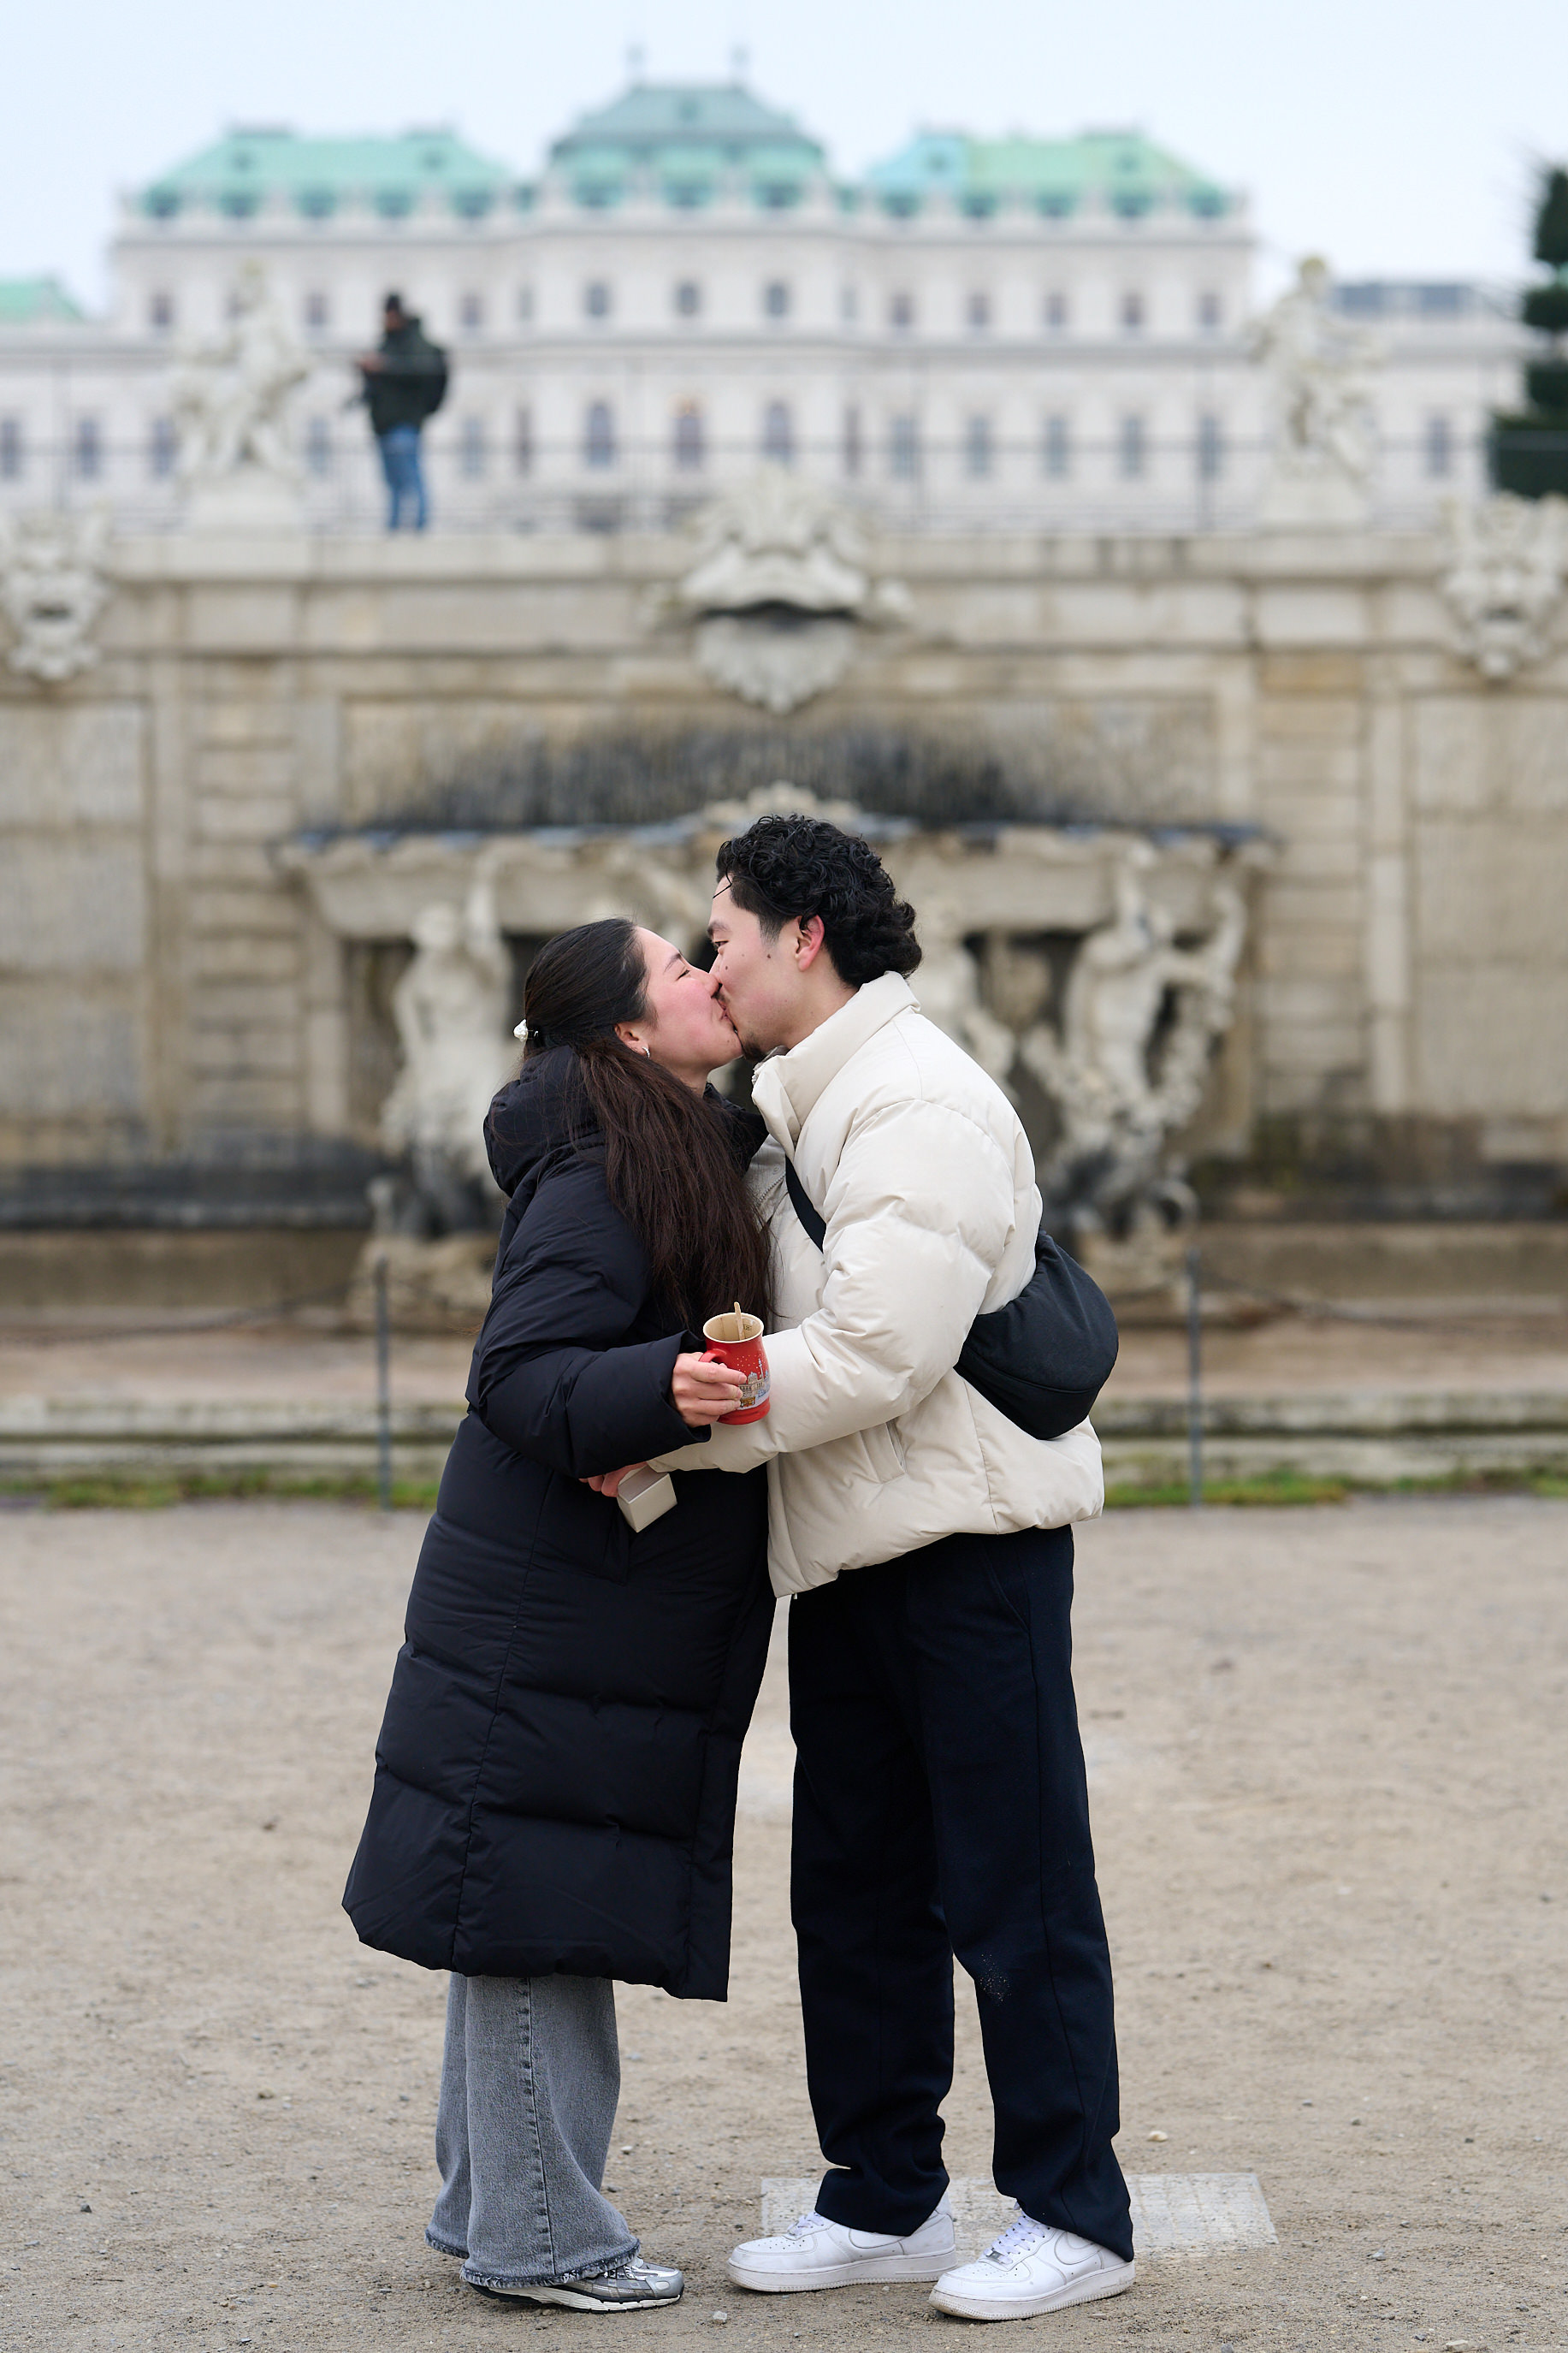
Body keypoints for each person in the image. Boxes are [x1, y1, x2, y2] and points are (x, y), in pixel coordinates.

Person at [609, 815, 1133, 2323]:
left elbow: (878, 1354)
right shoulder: (803, 1106)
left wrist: (673, 1442)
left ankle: (1074, 2213)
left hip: (971, 1551)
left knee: (1013, 1891)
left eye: (721, 933)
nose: (707, 957)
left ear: (802, 939)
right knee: (851, 1892)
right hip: (846, 1551)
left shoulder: (916, 1100)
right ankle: (884, 2195)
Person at [343, 917, 772, 2313]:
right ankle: (542, 2235)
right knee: (532, 1908)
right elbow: (517, 1375)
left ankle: (486, 2204)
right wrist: (663, 1385)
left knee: (512, 1895)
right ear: (629, 1035)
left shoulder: (642, 1143)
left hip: (552, 1595)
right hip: (553, 1605)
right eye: (677, 967)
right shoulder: (603, 1168)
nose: (709, 973)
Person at [356, 293, 447, 531]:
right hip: (385, 423)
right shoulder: (388, 343)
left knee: (410, 476)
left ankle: (419, 525)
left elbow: (418, 371)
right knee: (394, 481)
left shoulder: (415, 344)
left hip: (404, 421)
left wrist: (384, 367)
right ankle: (395, 527)